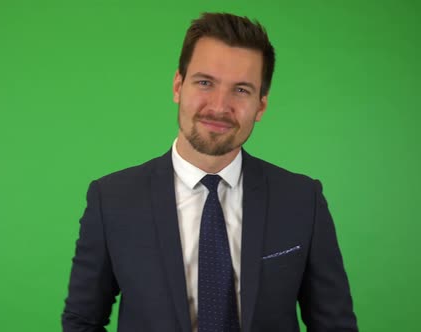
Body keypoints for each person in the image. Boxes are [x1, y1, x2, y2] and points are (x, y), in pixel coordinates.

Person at [62, 12, 358, 332]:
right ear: (178, 86)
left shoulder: (303, 201)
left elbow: (334, 324)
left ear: (261, 106)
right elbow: (82, 321)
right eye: (205, 82)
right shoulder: (112, 200)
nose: (219, 106)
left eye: (241, 90)